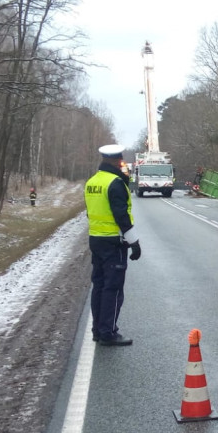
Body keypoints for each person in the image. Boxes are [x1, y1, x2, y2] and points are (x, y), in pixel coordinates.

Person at [84, 144, 141, 346]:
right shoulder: (115, 183)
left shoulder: (92, 182)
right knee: (113, 288)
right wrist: (134, 242)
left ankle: (97, 330)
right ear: (118, 160)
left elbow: (90, 212)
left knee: (99, 285)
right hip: (113, 243)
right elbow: (121, 216)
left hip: (95, 239)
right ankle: (108, 332)